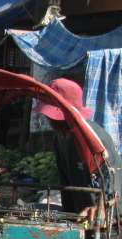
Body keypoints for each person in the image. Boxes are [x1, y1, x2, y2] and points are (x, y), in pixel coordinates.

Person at [34, 77, 122, 215]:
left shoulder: (92, 137)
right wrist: (68, 215)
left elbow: (113, 179)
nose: (49, 120)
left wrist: (102, 209)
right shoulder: (59, 138)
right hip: (79, 213)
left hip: (109, 215)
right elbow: (66, 182)